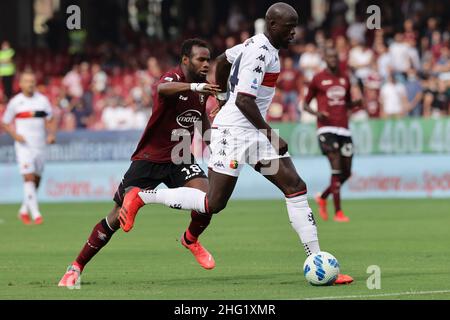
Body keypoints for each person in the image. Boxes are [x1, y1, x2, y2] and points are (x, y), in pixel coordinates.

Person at [120, 3, 353, 285]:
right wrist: (269, 133)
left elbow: (222, 59)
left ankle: (317, 260)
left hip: (251, 132)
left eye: (295, 26)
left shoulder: (254, 44)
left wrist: (219, 97)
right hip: (234, 132)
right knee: (213, 202)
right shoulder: (259, 52)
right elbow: (244, 100)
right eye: (289, 28)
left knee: (295, 186)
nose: (294, 33)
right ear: (273, 25)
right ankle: (142, 197)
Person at [57, 39, 221, 287]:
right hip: (149, 158)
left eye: (208, 59)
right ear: (186, 60)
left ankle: (190, 239)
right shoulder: (173, 79)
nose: (206, 64)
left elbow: (202, 125)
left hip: (180, 157)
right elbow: (161, 90)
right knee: (114, 218)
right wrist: (195, 86)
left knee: (209, 200)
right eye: (201, 59)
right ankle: (76, 266)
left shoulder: (200, 91)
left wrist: (216, 150)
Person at [303, 48, 360, 223]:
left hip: (343, 128)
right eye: (330, 56)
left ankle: (323, 196)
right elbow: (305, 104)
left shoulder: (345, 78)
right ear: (325, 59)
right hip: (326, 129)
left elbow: (347, 102)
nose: (333, 59)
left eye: (335, 55)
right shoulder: (318, 78)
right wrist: (317, 114)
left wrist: (356, 104)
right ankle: (338, 213)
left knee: (347, 172)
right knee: (336, 168)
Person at [1, 70, 56, 225]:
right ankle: (36, 214)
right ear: (21, 84)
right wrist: (15, 135)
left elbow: (51, 119)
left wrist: (51, 134)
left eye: (32, 81)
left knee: (36, 181)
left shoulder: (42, 101)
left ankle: (23, 210)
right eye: (27, 81)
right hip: (24, 146)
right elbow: (5, 122)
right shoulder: (16, 102)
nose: (30, 84)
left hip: (40, 146)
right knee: (28, 178)